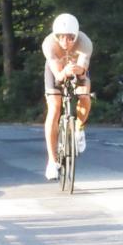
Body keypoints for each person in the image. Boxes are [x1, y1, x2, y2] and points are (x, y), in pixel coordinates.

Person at [42, 13, 93, 180]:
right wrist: (64, 71)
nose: (66, 42)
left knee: (85, 94)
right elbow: (57, 75)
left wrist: (77, 70)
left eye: (71, 38)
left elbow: (83, 70)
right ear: (55, 36)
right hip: (57, 71)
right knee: (54, 108)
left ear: (76, 35)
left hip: (76, 69)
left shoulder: (85, 43)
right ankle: (52, 161)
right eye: (61, 38)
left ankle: (79, 127)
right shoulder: (49, 44)